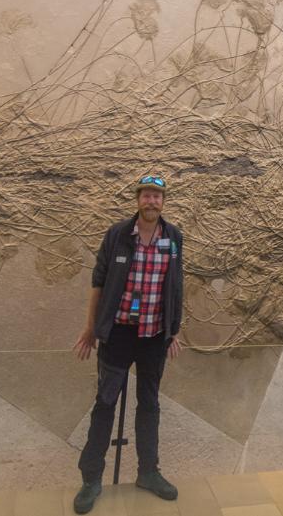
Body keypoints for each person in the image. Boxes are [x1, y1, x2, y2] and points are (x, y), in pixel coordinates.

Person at [72, 174, 184, 513]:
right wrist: (92, 328)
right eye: (146, 195)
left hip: (153, 338)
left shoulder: (173, 237)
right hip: (118, 336)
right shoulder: (118, 234)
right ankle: (91, 479)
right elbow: (99, 281)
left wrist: (174, 330)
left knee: (149, 406)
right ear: (138, 200)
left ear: (163, 201)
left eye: (157, 196)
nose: (152, 201)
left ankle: (148, 472)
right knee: (105, 405)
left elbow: (176, 284)